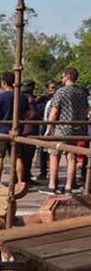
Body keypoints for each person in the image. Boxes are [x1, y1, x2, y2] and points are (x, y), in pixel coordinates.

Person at [43, 67, 89, 195]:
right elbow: (86, 110)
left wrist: (48, 128)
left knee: (54, 155)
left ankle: (52, 185)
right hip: (76, 129)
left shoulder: (61, 92)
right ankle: (69, 186)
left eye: (63, 77)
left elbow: (54, 111)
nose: (62, 79)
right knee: (71, 157)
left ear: (67, 77)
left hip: (61, 128)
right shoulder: (82, 93)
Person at [0, 72, 28, 184]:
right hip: (17, 130)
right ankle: (21, 182)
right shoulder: (22, 96)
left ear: (4, 83)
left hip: (1, 130)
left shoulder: (0, 97)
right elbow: (26, 112)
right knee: (17, 158)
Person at [35, 80, 57, 182]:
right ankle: (43, 171)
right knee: (43, 150)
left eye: (55, 87)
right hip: (44, 124)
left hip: (54, 126)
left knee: (55, 151)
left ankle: (53, 176)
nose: (54, 90)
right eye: (52, 88)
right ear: (47, 89)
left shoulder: (58, 98)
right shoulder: (42, 100)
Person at [20, 80, 39, 184]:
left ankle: (25, 176)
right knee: (27, 155)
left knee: (25, 156)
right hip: (29, 129)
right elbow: (32, 114)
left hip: (25, 128)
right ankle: (25, 177)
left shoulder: (21, 97)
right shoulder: (30, 99)